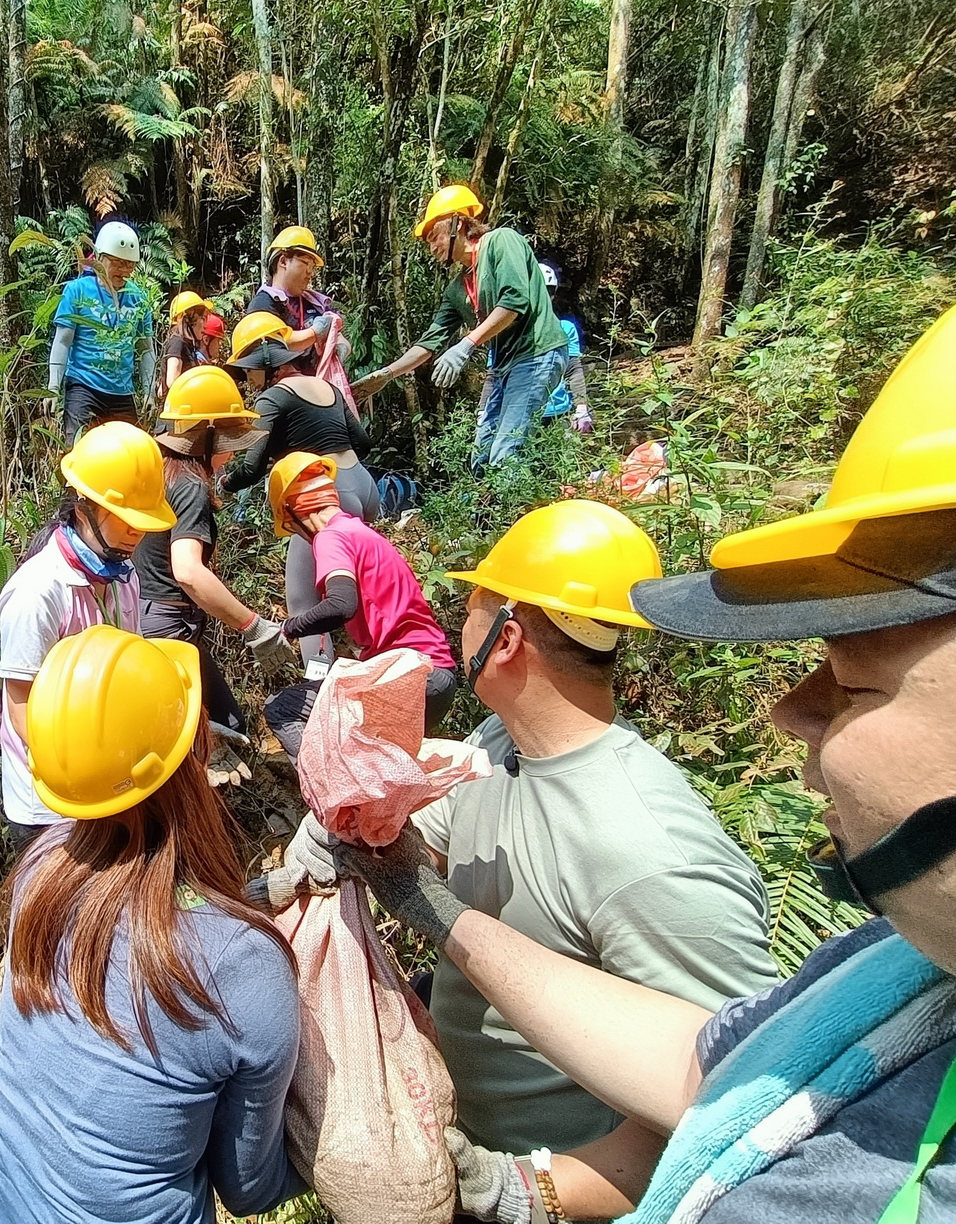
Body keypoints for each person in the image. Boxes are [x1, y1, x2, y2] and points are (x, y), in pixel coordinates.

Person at [310, 305, 956, 1223]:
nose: (796, 710)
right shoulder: (503, 754)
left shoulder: (649, 850)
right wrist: (354, 802)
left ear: (507, 637)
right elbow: (719, 1056)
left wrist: (521, 1193)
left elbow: (733, 1117)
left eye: (858, 685)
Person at [0, 624, 303, 1223]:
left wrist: (253, 900)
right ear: (192, 753)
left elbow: (140, 922)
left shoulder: (41, 869)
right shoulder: (245, 969)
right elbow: (250, 1189)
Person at [0, 422, 176, 848]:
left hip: (111, 782)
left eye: (143, 520)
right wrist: (80, 772)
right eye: (126, 518)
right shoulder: (38, 592)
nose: (137, 532)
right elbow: (20, 706)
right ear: (83, 505)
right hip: (52, 804)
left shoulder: (122, 573)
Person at [133, 365, 294, 763]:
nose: (229, 453)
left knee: (215, 728)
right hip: (169, 626)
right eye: (226, 440)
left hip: (144, 616)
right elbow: (187, 570)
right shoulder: (189, 484)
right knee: (212, 735)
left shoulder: (156, 468)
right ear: (204, 437)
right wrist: (252, 625)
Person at [259, 451, 460, 758]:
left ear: (294, 514)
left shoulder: (330, 537)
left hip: (410, 678)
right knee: (380, 768)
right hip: (434, 678)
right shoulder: (360, 532)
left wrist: (285, 629)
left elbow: (341, 605)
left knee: (282, 708)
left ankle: (333, 797)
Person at [352, 185, 566, 471]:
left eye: (434, 237)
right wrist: (387, 374)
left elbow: (515, 302)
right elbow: (429, 342)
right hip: (504, 366)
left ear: (458, 224)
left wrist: (467, 344)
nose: (432, 248)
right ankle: (486, 513)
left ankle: (517, 511)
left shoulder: (502, 242)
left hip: (538, 352)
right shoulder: (457, 288)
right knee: (480, 459)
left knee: (506, 453)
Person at [221, 312, 375, 669]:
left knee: (304, 601)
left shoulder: (272, 399)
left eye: (248, 370)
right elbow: (363, 442)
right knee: (350, 590)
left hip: (323, 494)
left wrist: (225, 484)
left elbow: (251, 467)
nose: (247, 379)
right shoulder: (328, 387)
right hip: (363, 487)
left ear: (265, 363)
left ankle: (318, 691)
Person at [48, 222, 155, 440]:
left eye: (129, 264)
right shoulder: (76, 291)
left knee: (130, 454)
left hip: (122, 392)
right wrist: (53, 387)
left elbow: (146, 349)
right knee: (78, 449)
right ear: (99, 258)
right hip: (83, 385)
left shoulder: (139, 298)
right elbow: (62, 341)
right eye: (117, 263)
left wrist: (149, 390)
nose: (124, 270)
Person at [246, 225, 337, 377]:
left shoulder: (314, 302)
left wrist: (339, 344)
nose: (310, 272)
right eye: (305, 263)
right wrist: (315, 333)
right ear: (283, 261)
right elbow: (273, 345)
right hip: (279, 392)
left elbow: (336, 329)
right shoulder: (263, 304)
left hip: (316, 387)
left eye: (313, 267)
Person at [538, 261, 592, 434]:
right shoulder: (508, 331)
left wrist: (581, 407)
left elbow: (573, 369)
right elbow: (494, 374)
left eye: (548, 291)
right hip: (519, 415)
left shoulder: (566, 328)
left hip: (559, 413)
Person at [161, 290, 214, 392]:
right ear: (189, 319)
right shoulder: (177, 343)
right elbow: (172, 381)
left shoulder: (187, 344)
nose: (205, 325)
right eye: (203, 318)